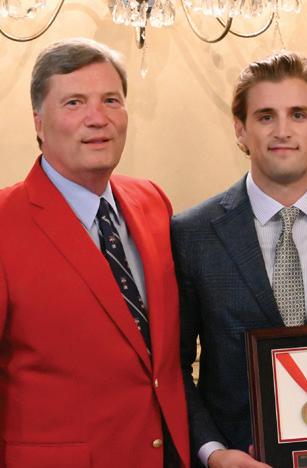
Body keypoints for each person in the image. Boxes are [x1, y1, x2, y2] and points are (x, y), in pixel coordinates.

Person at [171, 51, 307, 467]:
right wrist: (214, 454)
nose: (283, 131)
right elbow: (173, 366)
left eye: (298, 114)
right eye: (266, 116)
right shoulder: (193, 233)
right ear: (240, 129)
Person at [0, 38, 189, 467]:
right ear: (38, 123)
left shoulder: (152, 201)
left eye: (111, 100)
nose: (97, 118)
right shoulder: (5, 221)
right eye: (74, 103)